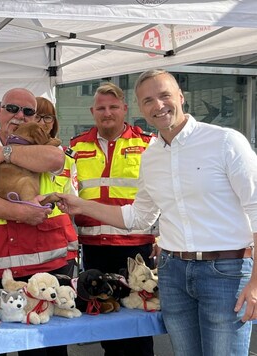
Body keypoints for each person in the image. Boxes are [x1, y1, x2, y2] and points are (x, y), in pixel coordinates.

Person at [56, 69, 257, 356]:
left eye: (164, 96)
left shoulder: (225, 141)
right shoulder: (150, 155)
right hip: (173, 273)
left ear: (181, 97)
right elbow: (140, 218)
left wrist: (256, 283)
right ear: (140, 107)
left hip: (225, 271)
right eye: (148, 100)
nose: (158, 105)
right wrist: (80, 205)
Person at [0, 88, 73, 356]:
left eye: (28, 112)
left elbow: (56, 159)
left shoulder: (46, 147)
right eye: (12, 109)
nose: (19, 116)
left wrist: (5, 153)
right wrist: (24, 213)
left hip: (46, 265)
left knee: (50, 346)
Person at [68, 82, 156, 355]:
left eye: (113, 107)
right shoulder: (74, 147)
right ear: (92, 111)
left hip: (137, 249)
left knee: (140, 325)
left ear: (125, 109)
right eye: (102, 108)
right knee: (106, 322)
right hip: (94, 250)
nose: (107, 113)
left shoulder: (147, 144)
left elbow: (165, 196)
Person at [36, 96, 79, 265]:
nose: (42, 122)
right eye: (37, 116)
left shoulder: (68, 158)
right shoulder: (17, 154)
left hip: (61, 244)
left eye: (48, 117)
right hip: (29, 242)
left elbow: (73, 202)